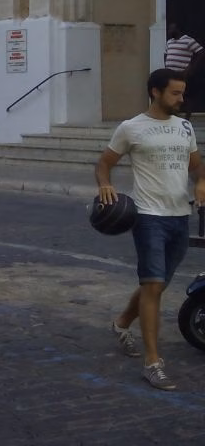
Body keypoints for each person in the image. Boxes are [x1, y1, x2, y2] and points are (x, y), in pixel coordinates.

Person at [95, 67, 205, 391]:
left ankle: (121, 323)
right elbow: (104, 163)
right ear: (155, 92)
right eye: (175, 93)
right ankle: (153, 363)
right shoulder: (131, 127)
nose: (181, 98)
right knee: (154, 284)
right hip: (148, 217)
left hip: (179, 217)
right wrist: (105, 185)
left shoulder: (184, 127)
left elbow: (197, 166)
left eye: (182, 92)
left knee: (155, 286)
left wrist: (201, 182)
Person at [164, 23, 203, 118]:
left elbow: (201, 52)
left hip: (182, 74)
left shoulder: (188, 40)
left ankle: (187, 118)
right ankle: (174, 115)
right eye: (169, 29)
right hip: (170, 74)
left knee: (185, 95)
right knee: (172, 93)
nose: (169, 31)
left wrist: (190, 68)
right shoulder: (169, 42)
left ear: (178, 29)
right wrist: (166, 65)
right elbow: (166, 54)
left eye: (171, 29)